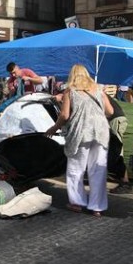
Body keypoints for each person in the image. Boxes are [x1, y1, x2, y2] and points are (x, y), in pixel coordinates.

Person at [46, 64, 113, 217]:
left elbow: (64, 116)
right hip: (101, 132)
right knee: (98, 170)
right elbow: (110, 111)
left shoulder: (70, 91)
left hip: (81, 132)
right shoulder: (98, 89)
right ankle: (97, 206)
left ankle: (77, 202)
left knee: (76, 168)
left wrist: (53, 128)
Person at [105, 93, 132, 194]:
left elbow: (108, 111)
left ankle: (125, 182)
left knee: (116, 152)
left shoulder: (95, 91)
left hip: (115, 120)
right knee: (115, 151)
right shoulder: (95, 90)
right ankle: (124, 182)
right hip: (116, 119)